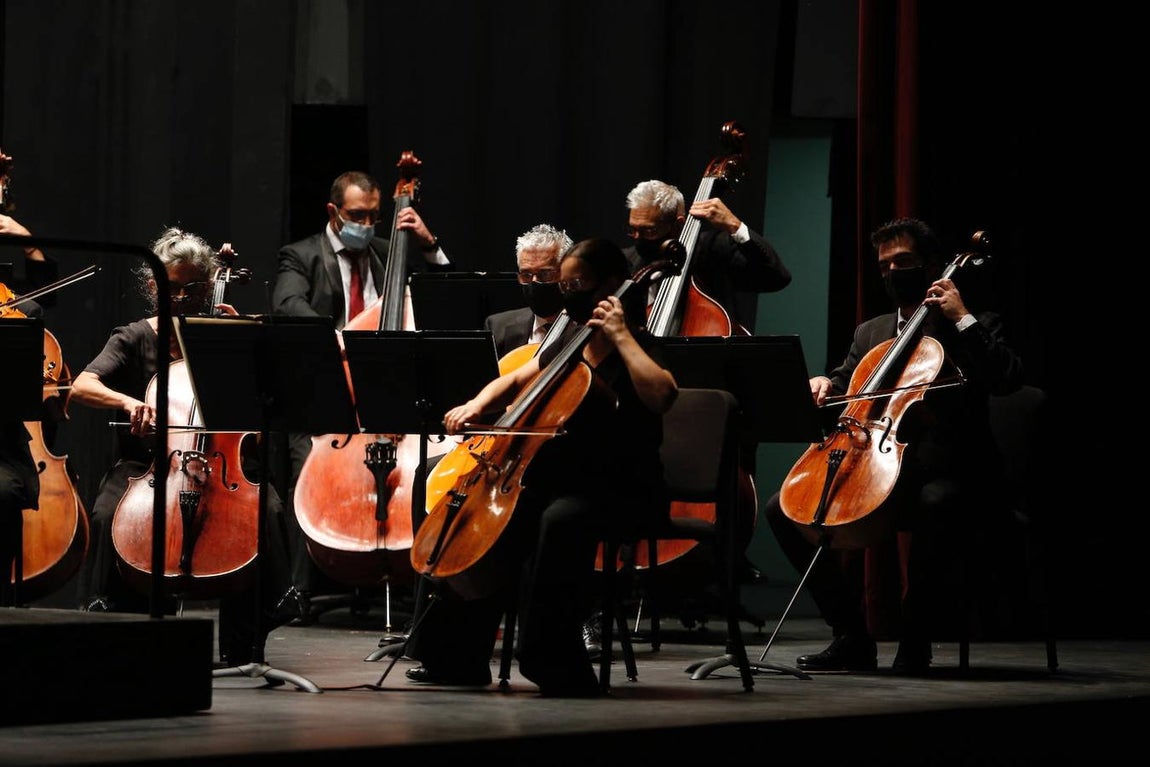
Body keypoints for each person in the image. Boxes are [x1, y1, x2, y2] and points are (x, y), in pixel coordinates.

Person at [404, 237, 678, 697]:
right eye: (562, 282)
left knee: (559, 519)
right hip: (563, 482)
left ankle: (552, 658)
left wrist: (622, 335)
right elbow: (516, 377)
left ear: (610, 286)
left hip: (622, 487)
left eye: (577, 284)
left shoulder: (640, 346)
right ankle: (459, 656)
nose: (566, 292)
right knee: (505, 517)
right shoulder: (572, 343)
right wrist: (476, 404)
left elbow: (663, 394)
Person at [763, 216, 1024, 674]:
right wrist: (824, 382)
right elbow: (848, 386)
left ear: (931, 266)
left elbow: (1006, 378)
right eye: (884, 265)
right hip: (878, 465)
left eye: (903, 262)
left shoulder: (973, 322)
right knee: (781, 509)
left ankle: (916, 639)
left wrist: (960, 317)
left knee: (935, 501)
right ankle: (850, 635)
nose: (891, 273)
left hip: (950, 471)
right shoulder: (872, 331)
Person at [70, 227, 290, 666]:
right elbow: (81, 386)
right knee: (106, 512)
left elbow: (271, 396)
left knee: (269, 512)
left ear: (209, 286)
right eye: (173, 287)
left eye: (194, 287)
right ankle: (119, 624)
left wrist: (243, 337)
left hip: (223, 466)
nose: (185, 297)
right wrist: (130, 401)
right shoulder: (134, 336)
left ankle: (246, 642)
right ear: (153, 286)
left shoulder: (225, 333)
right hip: (148, 464)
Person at [270, 170, 453, 624]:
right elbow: (288, 306)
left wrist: (428, 245)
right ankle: (298, 591)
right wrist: (345, 340)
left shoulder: (391, 253)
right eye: (357, 216)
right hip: (331, 392)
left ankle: (427, 586)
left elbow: (445, 294)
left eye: (374, 216)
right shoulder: (301, 255)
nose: (366, 224)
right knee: (304, 472)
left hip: (391, 394)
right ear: (334, 213)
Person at [622, 179, 791, 587]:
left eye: (649, 231)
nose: (639, 239)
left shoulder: (711, 249)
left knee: (730, 441)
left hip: (704, 398)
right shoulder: (629, 263)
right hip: (639, 394)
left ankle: (727, 553)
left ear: (678, 221)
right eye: (634, 229)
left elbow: (775, 276)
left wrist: (735, 226)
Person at [483, 223, 572, 359]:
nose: (534, 282)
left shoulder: (589, 328)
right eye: (526, 275)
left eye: (545, 274)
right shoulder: (497, 326)